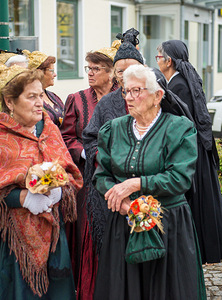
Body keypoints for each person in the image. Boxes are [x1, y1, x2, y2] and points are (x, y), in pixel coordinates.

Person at [92, 64, 206, 299]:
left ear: (158, 96)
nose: (129, 98)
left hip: (168, 224)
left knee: (166, 290)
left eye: (137, 91)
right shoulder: (113, 129)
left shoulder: (179, 129)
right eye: (126, 91)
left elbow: (180, 179)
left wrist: (135, 184)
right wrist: (123, 203)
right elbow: (102, 175)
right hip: (124, 223)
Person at [0, 65, 83, 299]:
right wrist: (22, 198)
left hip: (54, 238)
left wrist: (59, 192)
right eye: (31, 96)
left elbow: (70, 174)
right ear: (9, 101)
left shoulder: (49, 129)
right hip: (12, 244)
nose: (40, 103)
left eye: (40, 95)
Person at [156, 40, 222, 264]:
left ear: (169, 61)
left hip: (191, 150)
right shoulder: (180, 80)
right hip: (196, 146)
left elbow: (181, 123)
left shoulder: (178, 85)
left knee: (195, 201)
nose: (156, 60)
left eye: (158, 57)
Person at [59, 41, 119, 298]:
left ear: (111, 72)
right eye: (88, 67)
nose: (90, 72)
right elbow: (67, 136)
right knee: (89, 233)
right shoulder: (77, 99)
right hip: (88, 178)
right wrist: (85, 152)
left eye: (96, 68)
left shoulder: (123, 97)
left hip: (120, 176)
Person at [82, 28, 144, 255]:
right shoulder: (107, 103)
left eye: (131, 70)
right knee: (116, 250)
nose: (126, 75)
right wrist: (108, 160)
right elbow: (90, 138)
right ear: (115, 74)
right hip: (112, 188)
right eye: (120, 71)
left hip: (149, 186)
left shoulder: (156, 97)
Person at [23, 50, 64, 127]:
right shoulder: (29, 99)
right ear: (39, 72)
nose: (55, 74)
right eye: (52, 71)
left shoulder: (54, 97)